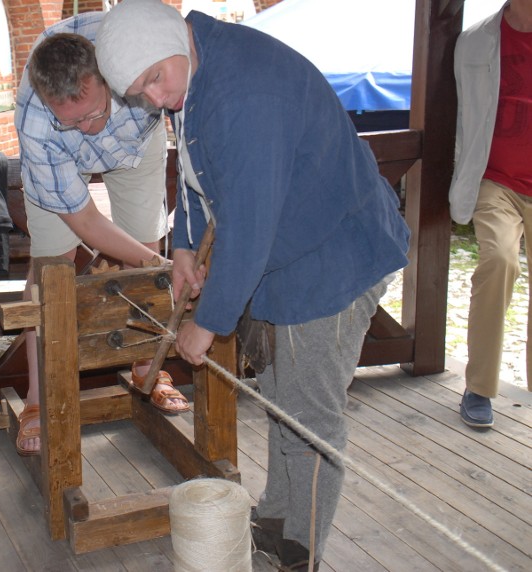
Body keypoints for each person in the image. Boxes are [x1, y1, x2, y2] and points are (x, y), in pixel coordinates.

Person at [95, 1, 410, 570]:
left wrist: (208, 322)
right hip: (286, 252)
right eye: (141, 93)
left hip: (334, 255)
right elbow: (194, 170)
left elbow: (249, 224)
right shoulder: (189, 69)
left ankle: (300, 552)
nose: (156, 99)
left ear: (173, 41)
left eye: (154, 82)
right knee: (283, 403)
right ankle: (277, 521)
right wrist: (184, 246)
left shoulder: (247, 93)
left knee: (309, 416)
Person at [13, 12, 191, 456]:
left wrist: (154, 261)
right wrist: (164, 270)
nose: (87, 128)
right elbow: (87, 223)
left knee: (143, 243)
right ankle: (37, 398)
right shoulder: (39, 124)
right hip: (59, 158)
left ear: (108, 78)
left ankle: (147, 366)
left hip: (136, 137)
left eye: (92, 113)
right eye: (71, 120)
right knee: (50, 271)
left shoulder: (135, 60)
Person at [448, 0, 532, 430]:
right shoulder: (475, 41)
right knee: (499, 259)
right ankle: (479, 386)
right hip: (495, 180)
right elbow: (464, 118)